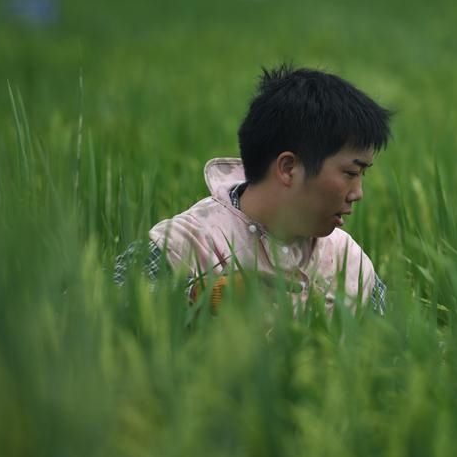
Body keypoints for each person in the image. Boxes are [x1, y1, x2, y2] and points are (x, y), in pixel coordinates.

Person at [114, 65, 392, 315]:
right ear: (288, 168)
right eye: (351, 174)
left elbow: (397, 343)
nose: (358, 192)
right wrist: (196, 296)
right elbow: (92, 305)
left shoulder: (346, 258)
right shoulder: (191, 242)